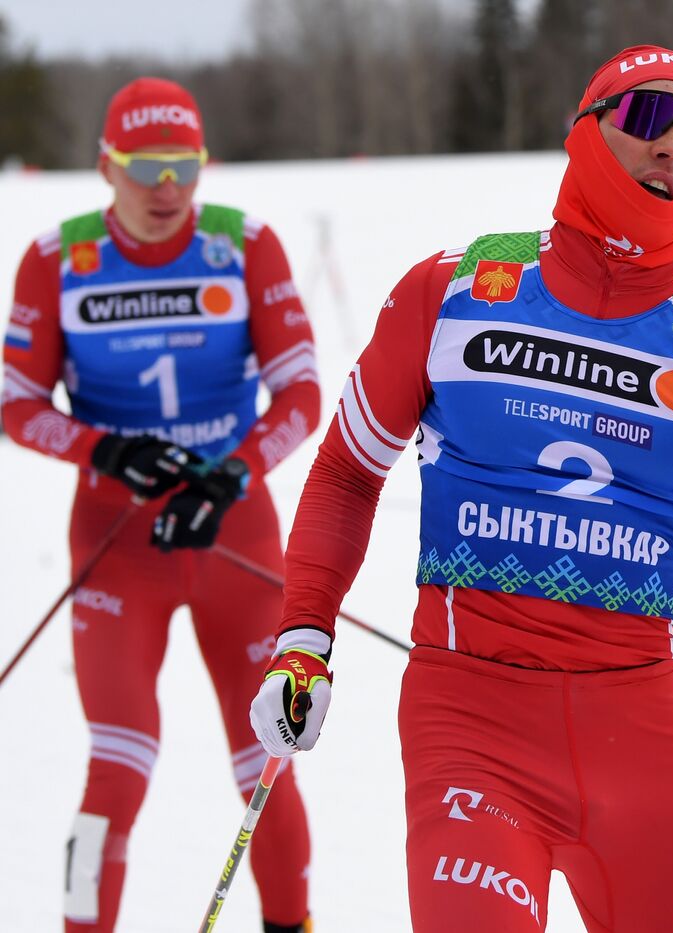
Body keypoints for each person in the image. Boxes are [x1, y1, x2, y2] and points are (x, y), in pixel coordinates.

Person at [247, 45, 673, 931]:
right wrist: (303, 640)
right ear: (585, 131)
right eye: (648, 118)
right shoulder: (453, 290)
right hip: (471, 717)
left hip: (641, 728)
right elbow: (346, 469)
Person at [1, 77, 320, 932]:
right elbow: (15, 402)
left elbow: (301, 394)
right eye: (146, 167)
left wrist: (230, 474)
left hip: (235, 535)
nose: (167, 188)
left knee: (266, 765)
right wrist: (107, 448)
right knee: (116, 767)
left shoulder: (244, 244)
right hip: (118, 543)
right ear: (107, 166)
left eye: (185, 166)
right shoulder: (56, 258)